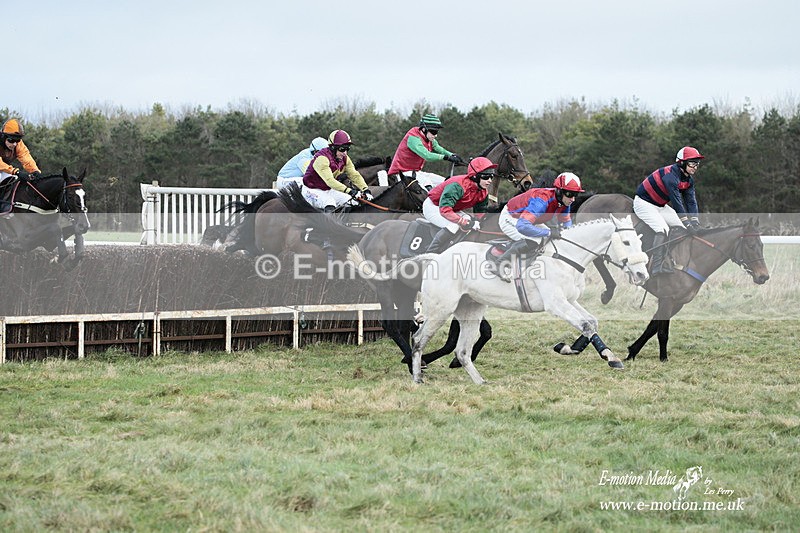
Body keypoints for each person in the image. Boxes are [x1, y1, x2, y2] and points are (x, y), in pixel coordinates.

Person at [489, 172, 583, 270]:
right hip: (511, 217)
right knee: (535, 241)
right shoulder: (541, 201)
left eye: (575, 194)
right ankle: (498, 264)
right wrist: (549, 232)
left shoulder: (564, 202)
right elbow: (522, 226)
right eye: (570, 194)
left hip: (528, 220)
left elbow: (567, 223)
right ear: (559, 191)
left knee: (549, 239)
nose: (572, 199)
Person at [634, 146, 704, 275]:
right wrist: (688, 223)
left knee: (682, 227)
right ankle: (656, 266)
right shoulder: (670, 177)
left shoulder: (689, 179)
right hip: (643, 204)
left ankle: (670, 260)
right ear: (682, 163)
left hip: (660, 206)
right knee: (663, 229)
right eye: (692, 163)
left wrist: (695, 222)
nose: (695, 166)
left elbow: (691, 202)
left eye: (697, 163)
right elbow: (677, 203)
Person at [423, 156, 497, 253]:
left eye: (491, 177)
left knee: (469, 219)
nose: (490, 180)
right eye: (486, 177)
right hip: (434, 206)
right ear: (475, 176)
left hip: (452, 208)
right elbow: (445, 210)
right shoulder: (457, 186)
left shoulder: (483, 192)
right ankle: (430, 253)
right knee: (454, 224)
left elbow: (480, 213)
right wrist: (463, 222)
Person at [301, 129, 374, 212]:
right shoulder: (322, 159)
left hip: (327, 189)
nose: (345, 153)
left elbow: (354, 175)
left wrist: (365, 189)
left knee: (352, 202)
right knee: (329, 202)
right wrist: (350, 191)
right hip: (311, 189)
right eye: (342, 149)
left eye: (347, 149)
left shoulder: (345, 159)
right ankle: (326, 225)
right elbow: (330, 181)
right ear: (333, 148)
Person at [387, 113, 465, 190]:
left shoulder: (428, 138)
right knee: (427, 184)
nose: (436, 135)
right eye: (434, 132)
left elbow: (438, 148)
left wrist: (453, 155)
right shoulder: (413, 138)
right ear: (424, 129)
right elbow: (427, 156)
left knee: (446, 182)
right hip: (401, 174)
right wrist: (447, 157)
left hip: (415, 172)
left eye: (437, 132)